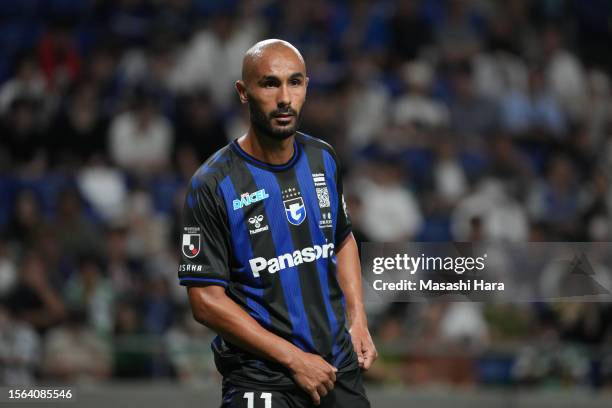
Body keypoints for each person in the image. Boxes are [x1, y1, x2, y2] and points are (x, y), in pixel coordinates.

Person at [178, 39, 376, 407]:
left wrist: (358, 318)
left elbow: (343, 238)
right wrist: (293, 358)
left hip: (336, 370)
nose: (285, 97)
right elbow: (205, 301)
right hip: (261, 378)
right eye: (270, 83)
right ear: (243, 91)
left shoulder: (323, 158)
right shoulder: (212, 184)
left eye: (295, 82)